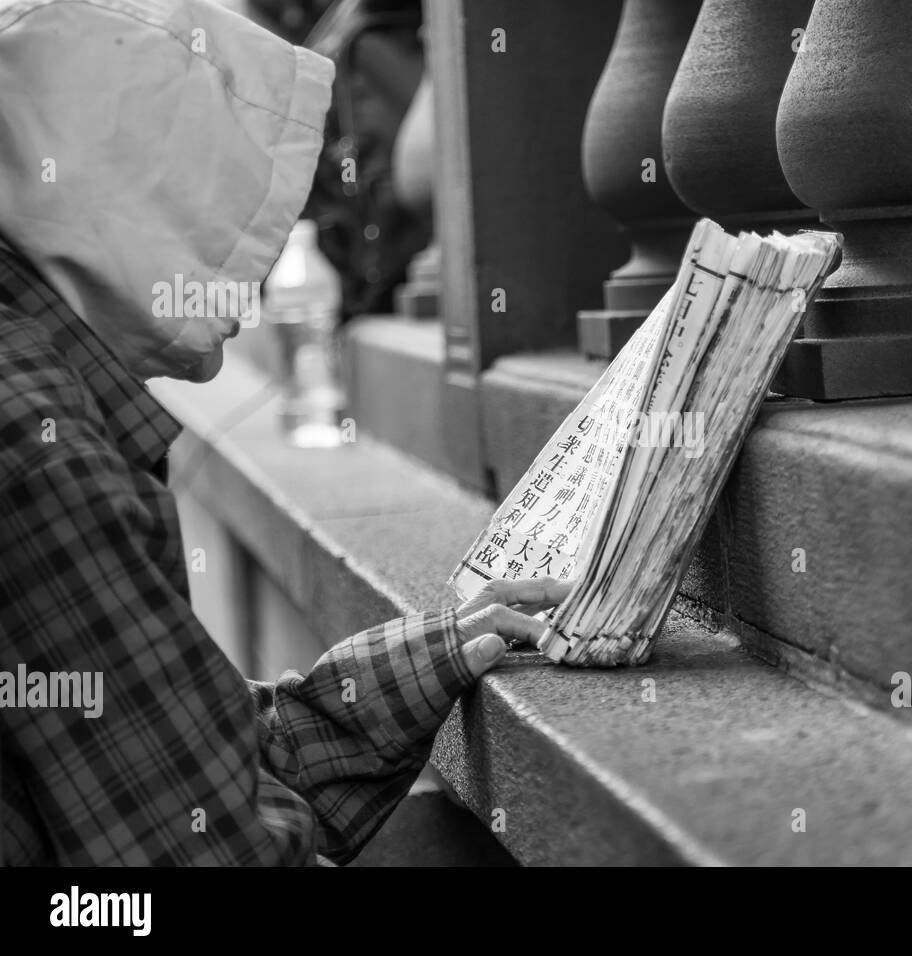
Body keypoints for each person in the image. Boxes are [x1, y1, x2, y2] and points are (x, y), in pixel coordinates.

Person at [0, 0, 558, 865]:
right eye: (223, 247)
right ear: (143, 207)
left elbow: (183, 751)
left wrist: (445, 644)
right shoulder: (38, 444)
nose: (247, 300)